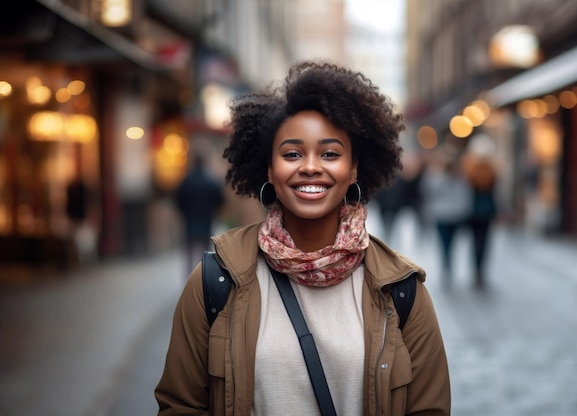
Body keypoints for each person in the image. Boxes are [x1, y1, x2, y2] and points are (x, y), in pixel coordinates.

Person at [155, 60, 451, 415]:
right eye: (292, 153)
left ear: (353, 168)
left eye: (330, 153)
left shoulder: (401, 289)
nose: (310, 166)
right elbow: (180, 406)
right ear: (270, 168)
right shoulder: (215, 281)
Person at [420, 150, 472, 288]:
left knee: (444, 243)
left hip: (442, 215)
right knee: (450, 243)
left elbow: (428, 195)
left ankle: (446, 263)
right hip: (453, 215)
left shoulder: (437, 179)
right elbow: (465, 197)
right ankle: (447, 263)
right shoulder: (459, 180)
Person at [175, 153, 225, 276]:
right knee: (206, 254)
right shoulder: (211, 181)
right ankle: (205, 278)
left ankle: (189, 280)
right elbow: (220, 201)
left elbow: (179, 201)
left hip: (190, 222)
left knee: (189, 255)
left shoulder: (186, 181)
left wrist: (185, 213)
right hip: (206, 221)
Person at [462, 134, 498, 290]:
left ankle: (476, 270)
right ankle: (480, 271)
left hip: (472, 209)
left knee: (474, 242)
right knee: (484, 242)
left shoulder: (469, 168)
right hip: (487, 210)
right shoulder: (492, 168)